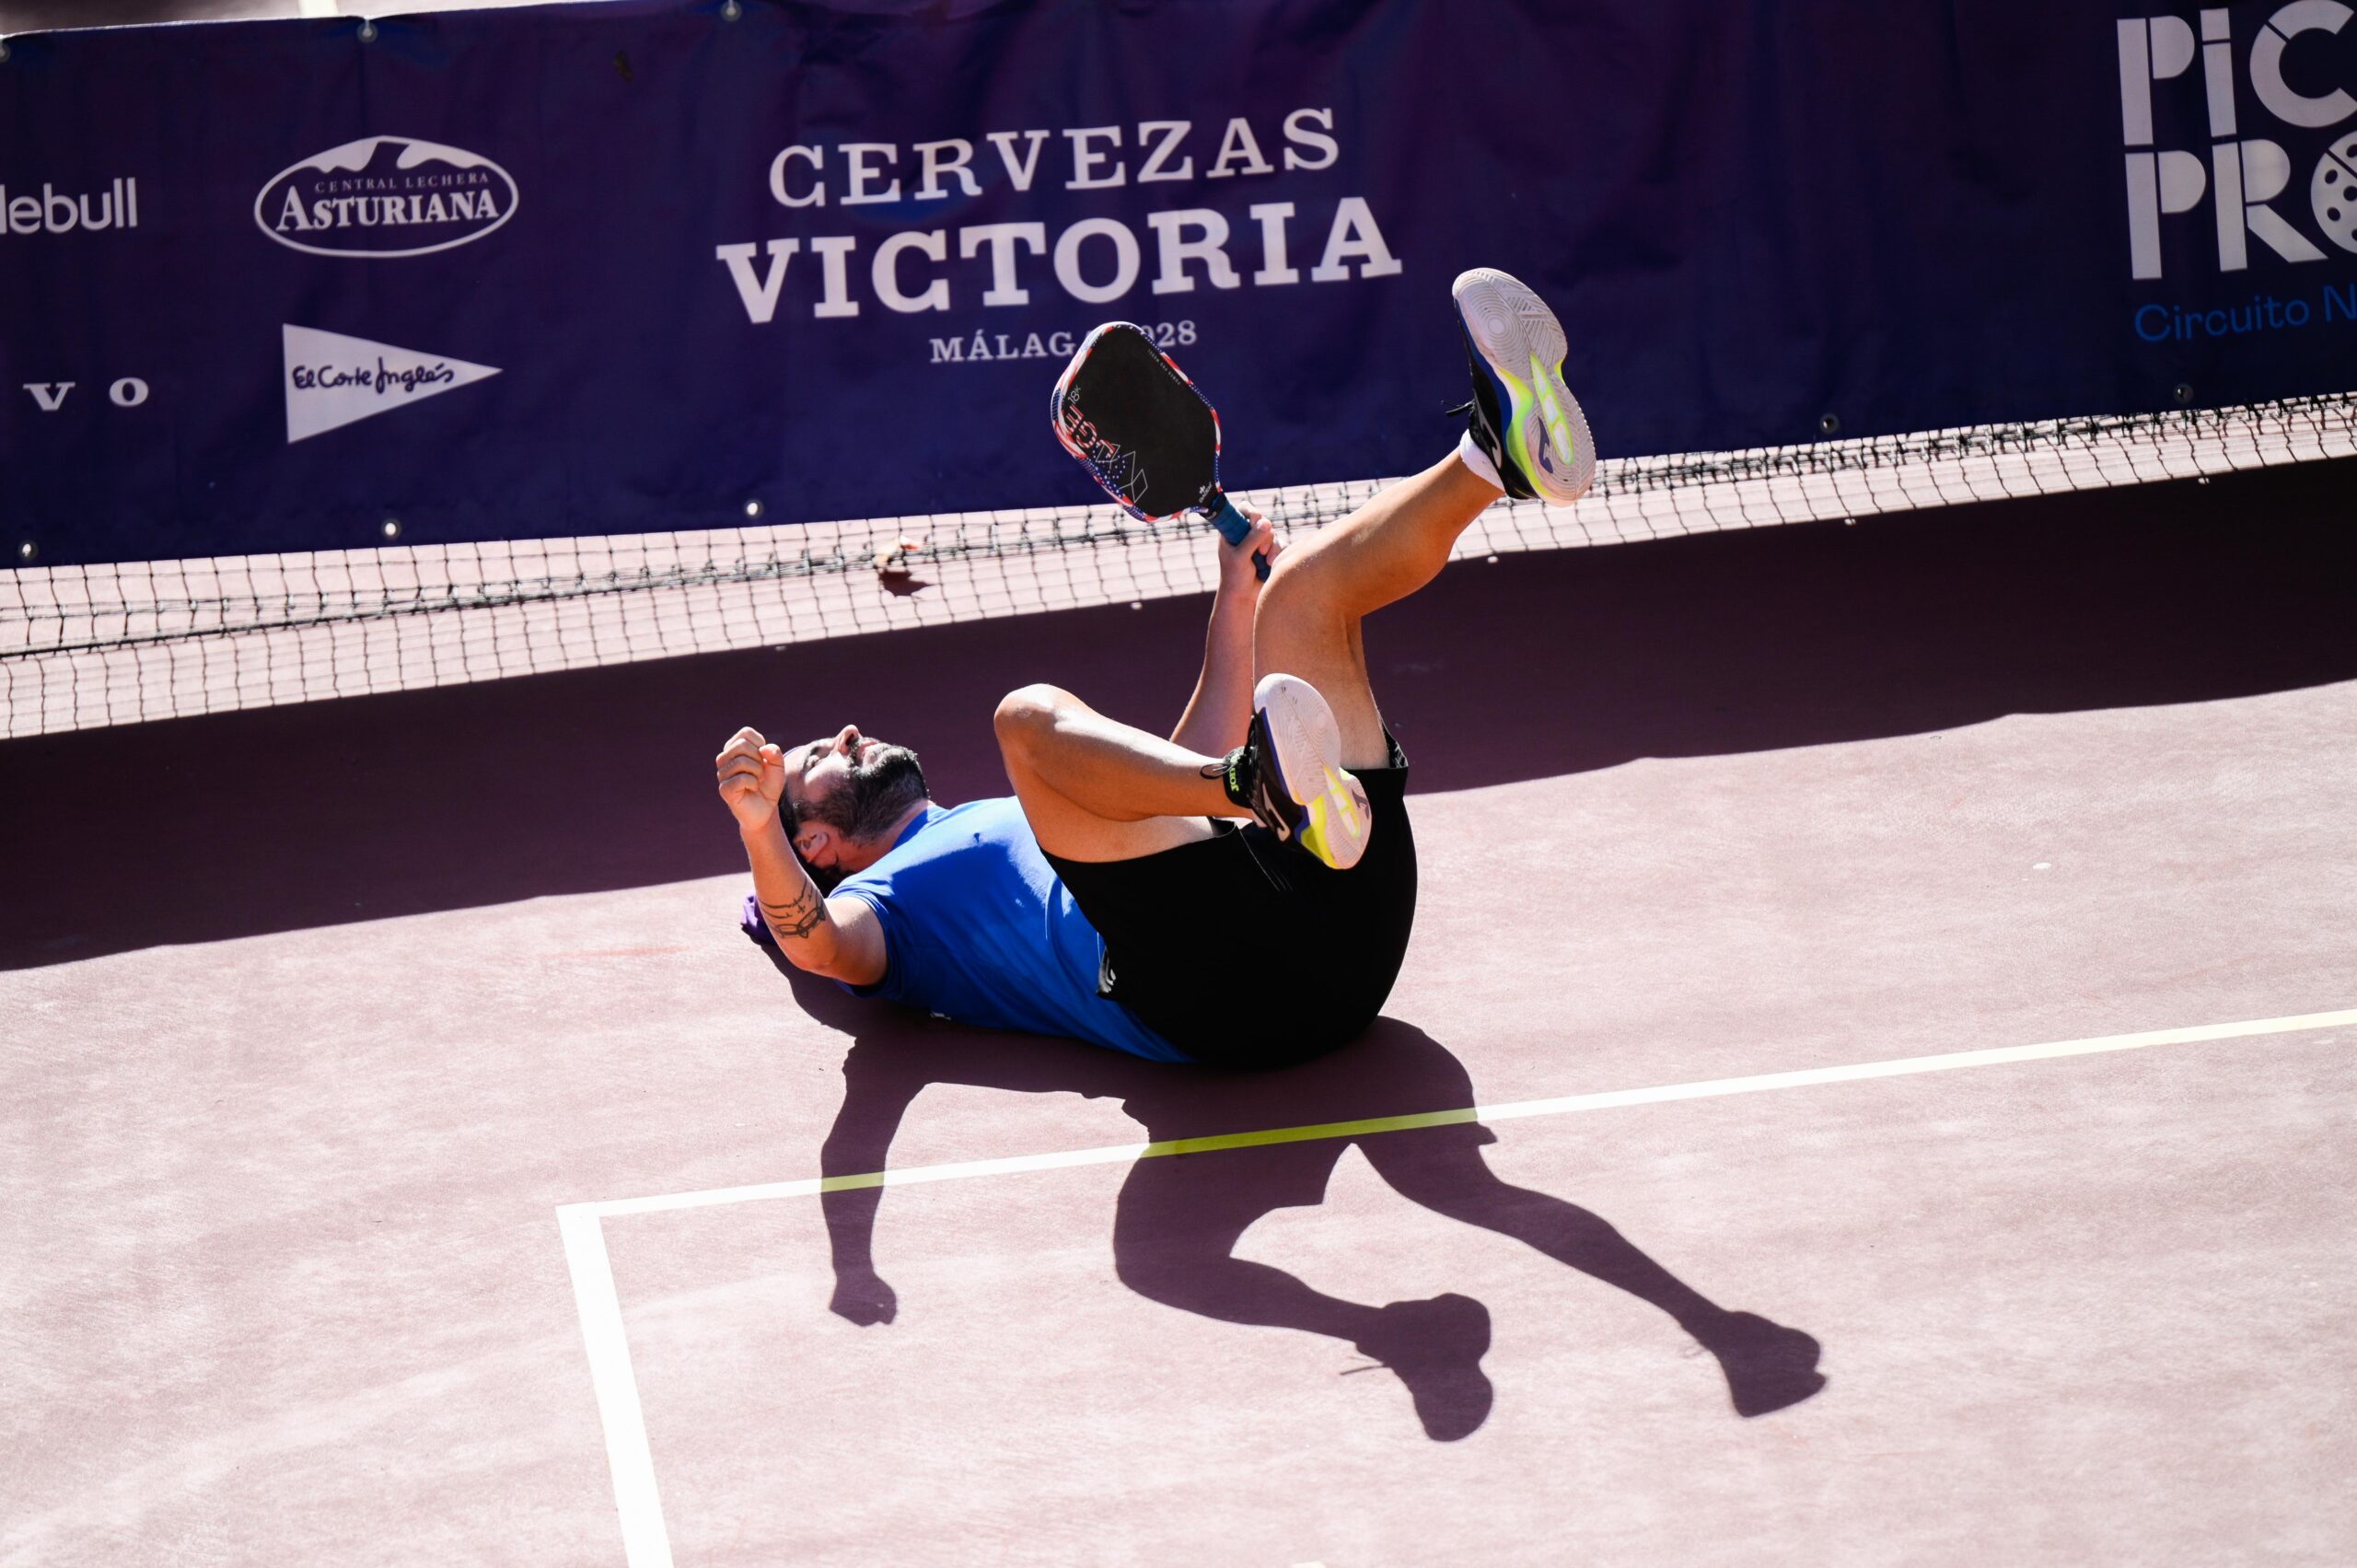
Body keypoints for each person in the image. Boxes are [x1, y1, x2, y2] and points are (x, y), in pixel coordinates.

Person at [717, 268, 1596, 1070]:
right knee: (1025, 717)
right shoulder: (883, 906)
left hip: (1344, 920)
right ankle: (1261, 790)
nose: (846, 734)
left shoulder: (998, 817)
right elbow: (818, 944)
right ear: (816, 843)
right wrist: (759, 826)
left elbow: (1176, 794)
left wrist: (1235, 601)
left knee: (1299, 591)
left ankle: (1498, 458)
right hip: (1214, 996)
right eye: (815, 761)